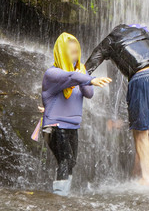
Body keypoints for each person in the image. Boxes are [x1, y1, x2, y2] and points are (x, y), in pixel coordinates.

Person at [85, 23, 149, 186]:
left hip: (142, 77)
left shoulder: (109, 42)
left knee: (140, 132)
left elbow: (87, 69)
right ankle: (138, 169)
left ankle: (146, 178)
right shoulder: (140, 31)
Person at [41, 32, 111, 195]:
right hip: (55, 126)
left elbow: (89, 93)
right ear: (62, 52)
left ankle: (62, 194)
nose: (76, 55)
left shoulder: (78, 76)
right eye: (71, 52)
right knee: (65, 159)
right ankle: (60, 196)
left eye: (77, 52)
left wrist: (84, 74)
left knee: (71, 161)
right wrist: (89, 78)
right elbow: (70, 76)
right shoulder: (52, 74)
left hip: (72, 126)